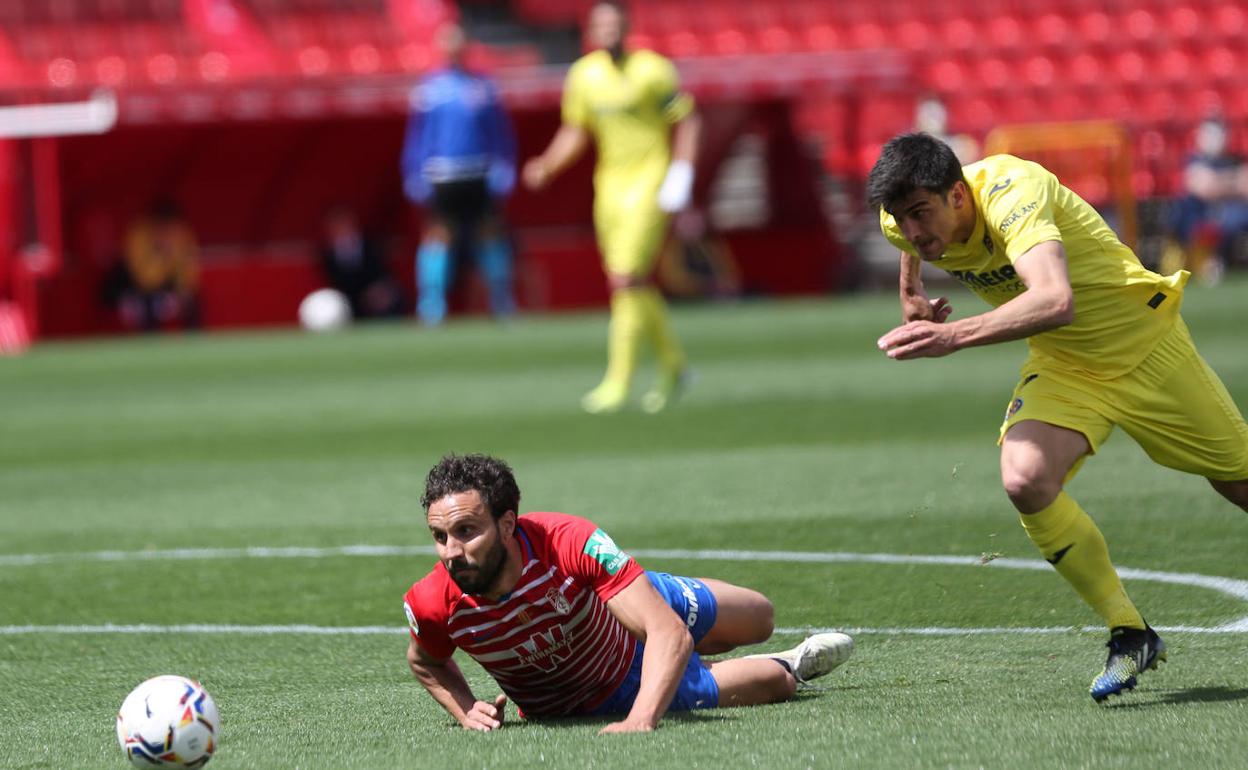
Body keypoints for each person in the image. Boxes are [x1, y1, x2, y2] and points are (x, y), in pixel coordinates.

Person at [868, 133, 1248, 702]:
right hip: (1066, 364)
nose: (913, 230)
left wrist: (952, 335)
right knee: (1025, 478)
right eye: (902, 218)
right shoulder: (902, 218)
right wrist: (910, 288)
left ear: (958, 195)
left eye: (922, 213)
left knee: (1238, 481)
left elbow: (1054, 300)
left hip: (1144, 345)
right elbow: (907, 236)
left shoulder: (1013, 192)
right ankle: (1130, 631)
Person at [403, 453, 854, 733]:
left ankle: (662, 621)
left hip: (623, 603)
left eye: (466, 531)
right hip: (612, 691)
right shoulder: (433, 602)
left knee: (760, 616)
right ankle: (789, 660)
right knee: (776, 682)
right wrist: (466, 709)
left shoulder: (568, 540)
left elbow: (668, 632)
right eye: (440, 536)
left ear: (507, 524)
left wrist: (641, 722)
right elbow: (426, 661)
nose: (451, 551)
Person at [523, 0, 699, 414]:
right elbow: (575, 130)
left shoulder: (652, 70)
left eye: (614, 23)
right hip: (610, 188)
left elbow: (688, 120)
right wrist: (547, 165)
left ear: (626, 26)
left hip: (649, 183)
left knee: (624, 279)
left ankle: (618, 381)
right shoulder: (584, 75)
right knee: (631, 283)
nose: (608, 31)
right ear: (591, 30)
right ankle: (674, 366)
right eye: (601, 24)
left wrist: (681, 174)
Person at [401, 22, 517, 326]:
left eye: (458, 41)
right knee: (439, 236)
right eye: (447, 42)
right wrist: (413, 171)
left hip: (479, 170)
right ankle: (432, 303)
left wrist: (505, 164)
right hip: (443, 173)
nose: (453, 48)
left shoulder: (483, 86)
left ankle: (501, 298)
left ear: (466, 46)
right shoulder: (429, 88)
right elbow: (418, 135)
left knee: (489, 232)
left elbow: (500, 131)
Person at [1164, 116, 1248, 282]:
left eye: (1219, 134)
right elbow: (1205, 188)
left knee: (1236, 217)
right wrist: (1233, 180)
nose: (1215, 140)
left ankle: (1218, 262)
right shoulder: (1193, 160)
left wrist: (1217, 181)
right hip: (1197, 216)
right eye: (1210, 134)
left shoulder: (1233, 160)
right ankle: (1202, 262)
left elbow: (1244, 186)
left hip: (1227, 216)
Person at [120, 199, 200, 331]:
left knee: (193, 301)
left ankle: (194, 339)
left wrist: (182, 291)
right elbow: (143, 278)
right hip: (143, 288)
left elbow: (187, 267)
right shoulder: (139, 234)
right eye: (161, 224)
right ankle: (150, 341)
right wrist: (159, 253)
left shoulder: (180, 233)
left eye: (169, 224)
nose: (165, 229)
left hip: (171, 287)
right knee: (148, 304)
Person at [318, 205, 402, 319]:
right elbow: (334, 284)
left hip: (375, 294)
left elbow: (382, 273)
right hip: (348, 301)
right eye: (336, 225)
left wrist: (377, 291)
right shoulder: (328, 255)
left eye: (344, 224)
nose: (341, 229)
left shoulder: (371, 245)